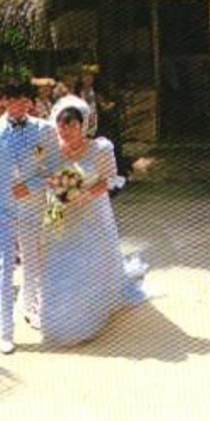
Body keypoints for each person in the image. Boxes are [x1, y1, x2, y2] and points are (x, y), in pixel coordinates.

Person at [37, 97, 148, 346]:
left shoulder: (100, 148)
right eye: (61, 126)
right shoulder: (50, 149)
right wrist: (58, 193)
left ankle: (86, 312)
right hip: (61, 214)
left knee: (88, 260)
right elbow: (41, 174)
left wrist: (83, 196)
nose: (65, 131)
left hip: (92, 213)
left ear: (82, 126)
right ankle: (56, 312)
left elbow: (109, 179)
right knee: (58, 260)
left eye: (71, 126)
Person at [0, 79, 57, 354]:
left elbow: (53, 169)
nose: (21, 105)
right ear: (5, 101)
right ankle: (5, 330)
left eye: (25, 100)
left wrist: (31, 185)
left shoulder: (45, 131)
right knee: (5, 266)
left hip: (32, 207)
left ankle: (32, 310)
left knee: (34, 262)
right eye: (15, 99)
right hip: (1, 209)